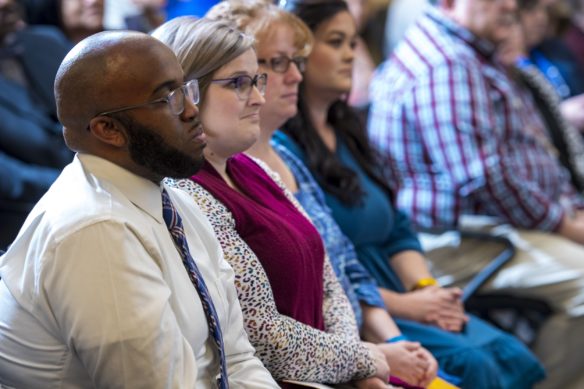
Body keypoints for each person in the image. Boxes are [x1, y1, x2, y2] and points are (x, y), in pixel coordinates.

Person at [276, 0, 546, 388]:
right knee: (473, 364)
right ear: (300, 54)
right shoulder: (283, 150)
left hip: (402, 286)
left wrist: (428, 291)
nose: (350, 55)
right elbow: (329, 268)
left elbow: (397, 225)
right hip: (363, 309)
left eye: (354, 43)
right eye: (336, 42)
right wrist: (410, 305)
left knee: (509, 352)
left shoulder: (349, 130)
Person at [0, 30, 278, 389]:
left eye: (185, 89)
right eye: (168, 98)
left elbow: (235, 357)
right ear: (108, 129)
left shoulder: (173, 200)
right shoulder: (94, 232)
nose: (192, 110)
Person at [207, 1, 439, 387]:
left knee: (493, 358)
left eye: (297, 61)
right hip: (314, 367)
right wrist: (368, 360)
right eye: (277, 64)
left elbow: (339, 271)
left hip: (351, 348)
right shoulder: (207, 184)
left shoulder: (276, 161)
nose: (295, 75)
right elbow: (264, 332)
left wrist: (379, 349)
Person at [153, 16, 392, 388]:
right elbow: (264, 335)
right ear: (187, 94)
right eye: (238, 84)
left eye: (257, 81)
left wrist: (356, 365)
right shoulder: (187, 192)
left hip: (338, 372)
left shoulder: (254, 167)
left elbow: (330, 282)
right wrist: (361, 361)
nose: (259, 98)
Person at [367, 0, 584, 385]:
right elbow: (483, 178)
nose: (510, 5)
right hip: (456, 239)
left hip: (498, 224)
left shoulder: (470, 51)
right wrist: (565, 225)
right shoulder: (446, 63)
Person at [0, 0, 72, 248]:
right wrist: (82, 181)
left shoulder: (46, 41)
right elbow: (9, 178)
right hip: (22, 228)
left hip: (97, 196)